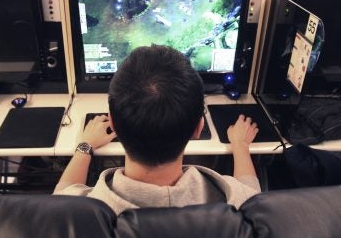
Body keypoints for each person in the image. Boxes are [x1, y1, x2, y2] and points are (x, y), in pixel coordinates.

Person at [54, 44, 261, 215]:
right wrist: (241, 146)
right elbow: (251, 190)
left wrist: (85, 145)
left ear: (113, 123)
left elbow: (61, 195)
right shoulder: (239, 205)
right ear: (199, 128)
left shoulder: (75, 214)